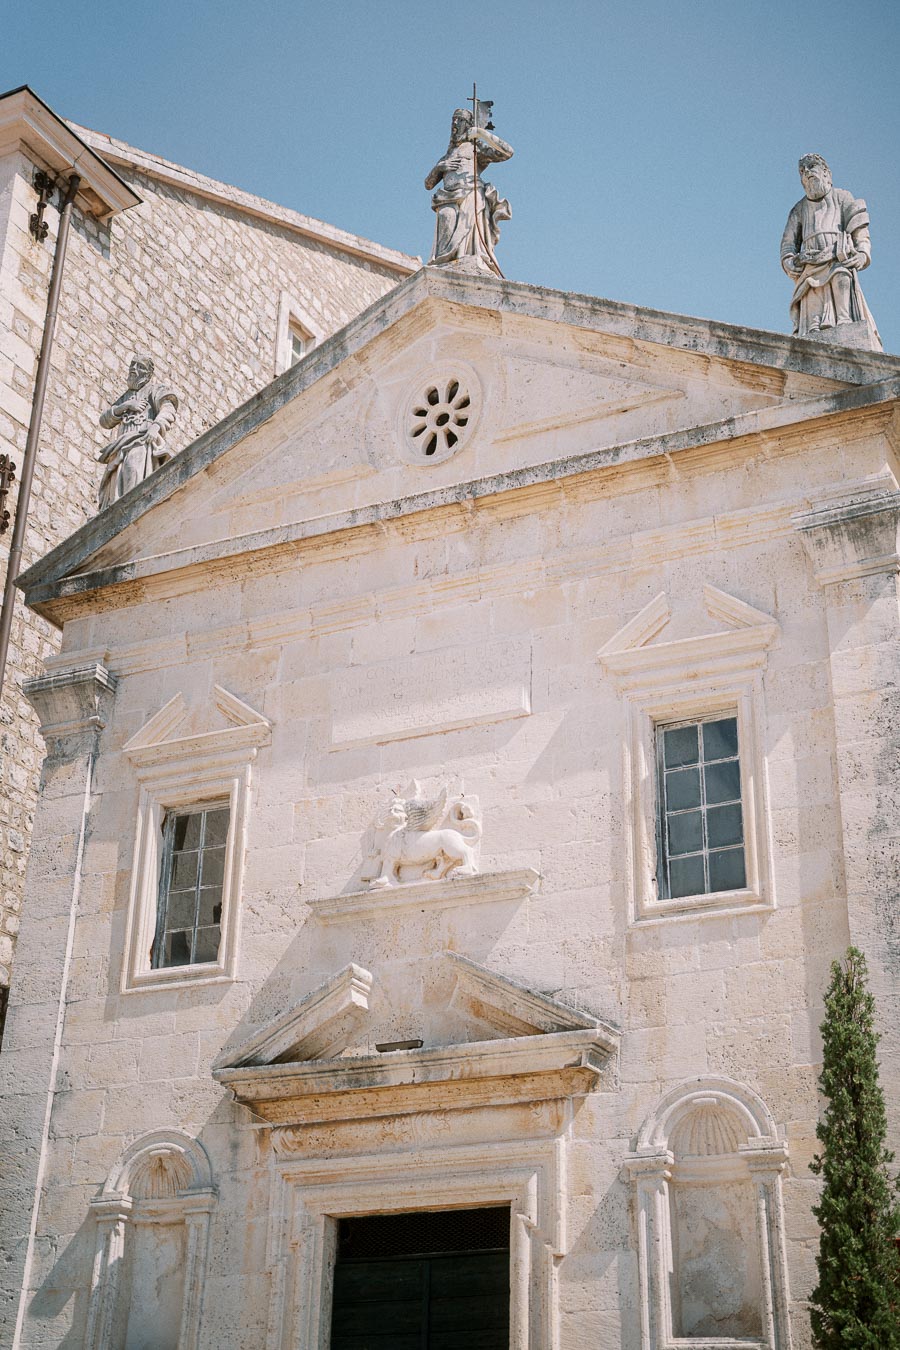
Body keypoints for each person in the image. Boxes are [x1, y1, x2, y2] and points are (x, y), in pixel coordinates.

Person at [780, 154, 881, 349]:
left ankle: (844, 321)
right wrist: (791, 261)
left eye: (811, 167)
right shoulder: (798, 210)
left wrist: (862, 252)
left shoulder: (842, 197)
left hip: (837, 257)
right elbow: (788, 244)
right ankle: (814, 328)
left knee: (841, 275)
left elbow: (859, 230)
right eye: (802, 171)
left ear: (826, 173)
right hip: (810, 264)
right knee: (811, 288)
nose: (807, 172)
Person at [425, 108, 514, 274]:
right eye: (453, 120)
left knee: (468, 232)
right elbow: (428, 184)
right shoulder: (447, 155)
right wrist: (438, 168)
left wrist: (481, 134)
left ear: (467, 125)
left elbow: (507, 152)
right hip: (448, 198)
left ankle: (467, 259)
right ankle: (444, 265)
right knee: (446, 217)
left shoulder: (475, 149)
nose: (455, 124)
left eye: (460, 120)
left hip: (471, 195)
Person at [97, 355, 179, 509]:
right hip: (120, 445)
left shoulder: (155, 390)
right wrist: (126, 406)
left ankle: (131, 510)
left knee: (133, 470)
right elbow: (104, 421)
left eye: (139, 366)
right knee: (116, 482)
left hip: (141, 440)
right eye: (133, 365)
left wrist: (156, 426)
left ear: (148, 374)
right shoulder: (126, 397)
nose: (134, 369)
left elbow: (168, 408)